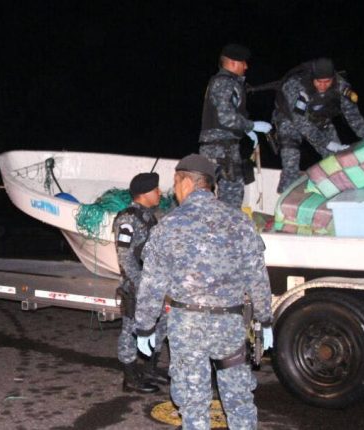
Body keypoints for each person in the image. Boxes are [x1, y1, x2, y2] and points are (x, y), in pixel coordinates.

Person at [134, 154, 273, 430]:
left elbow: (152, 284)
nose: (174, 189)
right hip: (230, 325)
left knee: (193, 403)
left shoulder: (168, 226)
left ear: (187, 182)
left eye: (176, 182)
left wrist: (144, 326)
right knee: (239, 400)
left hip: (188, 327)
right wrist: (265, 319)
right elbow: (258, 277)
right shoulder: (240, 222)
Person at [272, 57, 364, 193]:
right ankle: (286, 188)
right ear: (312, 78)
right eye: (319, 82)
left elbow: (353, 115)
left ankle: (340, 189)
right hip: (290, 120)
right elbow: (299, 121)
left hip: (319, 119)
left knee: (336, 159)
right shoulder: (297, 86)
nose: (323, 86)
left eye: (327, 81)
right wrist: (326, 143)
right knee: (291, 153)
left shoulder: (341, 86)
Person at [112, 172, 168, 393]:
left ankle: (150, 369)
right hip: (137, 286)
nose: (160, 192)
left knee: (160, 325)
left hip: (153, 284)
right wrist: (140, 284)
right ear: (144, 193)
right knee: (131, 330)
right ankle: (130, 378)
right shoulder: (127, 219)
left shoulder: (149, 216)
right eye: (156, 189)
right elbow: (125, 256)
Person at [199, 43, 273, 208]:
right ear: (233, 63)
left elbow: (228, 112)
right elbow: (226, 117)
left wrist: (245, 129)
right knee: (231, 198)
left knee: (222, 197)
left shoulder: (227, 82)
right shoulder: (225, 82)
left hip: (222, 148)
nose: (246, 66)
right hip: (220, 149)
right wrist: (251, 125)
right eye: (243, 62)